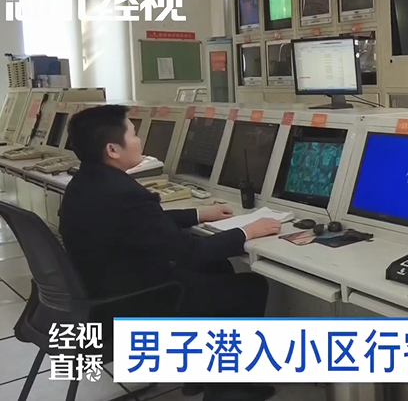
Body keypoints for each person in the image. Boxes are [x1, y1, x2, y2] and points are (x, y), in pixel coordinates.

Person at [59, 105, 280, 401]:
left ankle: (201, 375)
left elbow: (144, 224)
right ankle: (230, 389)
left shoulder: (87, 182)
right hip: (133, 304)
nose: (139, 141)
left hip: (105, 292)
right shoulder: (124, 193)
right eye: (133, 134)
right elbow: (192, 251)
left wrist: (198, 214)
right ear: (113, 149)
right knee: (251, 286)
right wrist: (247, 231)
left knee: (218, 269)